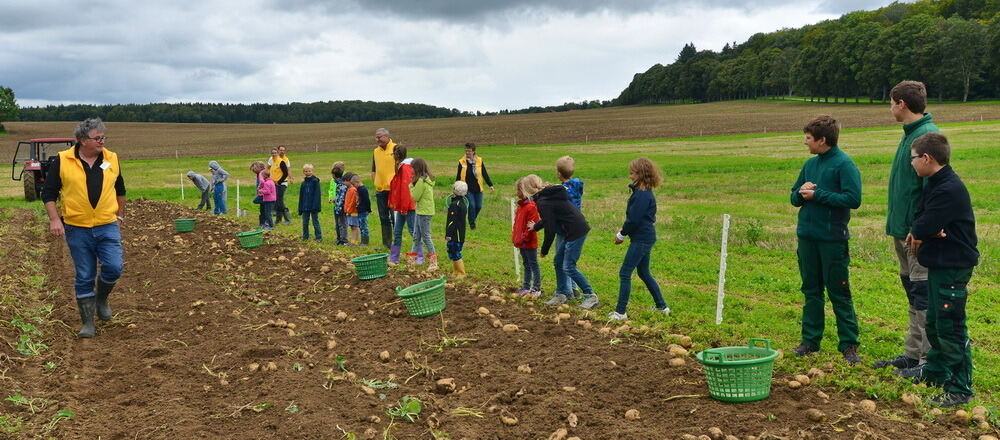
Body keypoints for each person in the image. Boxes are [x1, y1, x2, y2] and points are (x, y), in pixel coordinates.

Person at [903, 132, 978, 408]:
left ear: (926, 158)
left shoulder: (948, 189)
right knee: (934, 322)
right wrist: (928, 230)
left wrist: (925, 230)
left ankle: (960, 389)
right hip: (939, 262)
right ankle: (935, 372)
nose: (911, 164)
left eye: (913, 159)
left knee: (951, 327)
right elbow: (919, 220)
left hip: (953, 265)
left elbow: (921, 227)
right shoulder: (933, 183)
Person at [874, 80, 941, 371]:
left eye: (891, 102)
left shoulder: (925, 136)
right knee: (913, 294)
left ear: (901, 103)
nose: (890, 108)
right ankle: (912, 355)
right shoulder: (910, 134)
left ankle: (928, 361)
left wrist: (923, 230)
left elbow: (933, 190)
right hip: (903, 231)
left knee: (924, 296)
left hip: (917, 236)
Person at [42, 117, 125, 338]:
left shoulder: (112, 159)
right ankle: (88, 323)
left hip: (107, 224)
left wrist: (120, 217)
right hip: (77, 227)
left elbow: (121, 190)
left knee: (114, 267)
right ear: (81, 140)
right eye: (97, 138)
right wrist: (54, 219)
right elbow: (48, 193)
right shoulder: (63, 160)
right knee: (85, 274)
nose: (102, 142)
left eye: (103, 137)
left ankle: (102, 299)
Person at [789, 115, 862, 364]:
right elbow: (793, 197)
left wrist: (818, 195)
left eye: (808, 139)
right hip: (807, 238)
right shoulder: (810, 165)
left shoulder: (844, 165)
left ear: (822, 140)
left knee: (839, 292)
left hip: (832, 240)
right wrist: (800, 193)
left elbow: (853, 199)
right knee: (811, 291)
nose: (805, 143)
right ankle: (810, 341)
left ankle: (849, 345)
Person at [609, 158, 670, 320]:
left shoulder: (642, 196)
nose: (630, 176)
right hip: (645, 237)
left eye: (632, 173)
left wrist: (621, 235)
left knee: (624, 273)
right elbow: (634, 219)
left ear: (640, 174)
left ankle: (620, 312)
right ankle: (662, 306)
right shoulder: (643, 193)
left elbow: (633, 221)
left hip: (642, 239)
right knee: (643, 272)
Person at [528, 178, 599, 310]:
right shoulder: (547, 197)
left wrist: (544, 250)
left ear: (528, 191)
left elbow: (550, 229)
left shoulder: (543, 201)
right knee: (558, 262)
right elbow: (549, 219)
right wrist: (536, 227)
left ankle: (590, 296)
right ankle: (562, 293)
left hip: (576, 232)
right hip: (571, 230)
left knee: (568, 266)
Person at [557, 155, 584, 297]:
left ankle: (567, 291)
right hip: (576, 227)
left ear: (559, 174)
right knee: (570, 260)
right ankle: (574, 288)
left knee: (562, 261)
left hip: (563, 229)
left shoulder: (561, 191)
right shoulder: (576, 186)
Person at [512, 176, 543, 297]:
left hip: (529, 242)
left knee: (533, 263)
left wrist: (524, 237)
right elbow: (517, 224)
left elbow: (532, 226)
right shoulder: (520, 207)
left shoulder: (531, 207)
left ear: (524, 190)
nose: (517, 193)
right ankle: (526, 286)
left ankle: (536, 287)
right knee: (526, 263)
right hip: (521, 241)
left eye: (518, 190)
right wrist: (516, 237)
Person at [455, 142, 494, 230]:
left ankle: (472, 218)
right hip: (467, 189)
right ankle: (472, 224)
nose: (467, 153)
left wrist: (490, 184)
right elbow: (458, 175)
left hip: (478, 188)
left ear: (473, 151)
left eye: (469, 151)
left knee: (478, 206)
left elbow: (484, 173)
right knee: (472, 205)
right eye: (466, 151)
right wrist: (456, 187)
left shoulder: (479, 161)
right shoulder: (462, 162)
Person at [388, 146, 416, 266]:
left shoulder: (405, 168)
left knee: (413, 231)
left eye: (393, 155)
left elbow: (405, 189)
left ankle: (419, 256)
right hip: (401, 206)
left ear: (397, 155)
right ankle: (394, 258)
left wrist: (404, 207)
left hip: (408, 206)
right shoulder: (402, 167)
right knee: (397, 231)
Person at [409, 158, 438, 271]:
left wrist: (411, 186)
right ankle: (412, 261)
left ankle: (433, 263)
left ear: (417, 168)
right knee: (416, 236)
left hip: (424, 212)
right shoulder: (426, 179)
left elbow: (415, 197)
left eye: (412, 168)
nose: (411, 170)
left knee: (425, 236)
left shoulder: (421, 181)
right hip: (421, 211)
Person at [371, 128, 397, 249]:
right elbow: (374, 169)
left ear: (387, 136)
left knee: (395, 218)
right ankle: (386, 244)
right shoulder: (375, 151)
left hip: (393, 190)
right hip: (380, 190)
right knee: (383, 218)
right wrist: (375, 182)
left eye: (380, 137)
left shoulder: (396, 148)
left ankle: (397, 243)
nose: (378, 139)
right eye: (376, 137)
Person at [445, 181, 469, 278]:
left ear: (455, 190)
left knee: (455, 251)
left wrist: (448, 234)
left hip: (456, 234)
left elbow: (452, 221)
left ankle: (461, 273)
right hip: (460, 233)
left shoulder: (455, 204)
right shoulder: (462, 203)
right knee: (452, 251)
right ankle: (455, 271)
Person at [298, 164, 323, 241]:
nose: (308, 172)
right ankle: (305, 237)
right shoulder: (303, 183)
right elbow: (301, 196)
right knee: (305, 222)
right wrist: (300, 207)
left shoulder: (315, 182)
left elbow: (317, 195)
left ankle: (318, 237)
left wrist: (316, 206)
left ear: (312, 171)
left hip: (313, 206)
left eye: (309, 171)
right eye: (306, 171)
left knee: (315, 221)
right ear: (303, 172)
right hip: (305, 206)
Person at [270, 146, 292, 224]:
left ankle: (287, 218)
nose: (274, 154)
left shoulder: (281, 161)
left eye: (275, 153)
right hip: (274, 184)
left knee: (279, 201)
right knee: (277, 201)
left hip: (282, 184)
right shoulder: (273, 161)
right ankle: (278, 220)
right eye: (272, 153)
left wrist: (279, 182)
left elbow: (286, 173)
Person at [329, 162, 348, 245]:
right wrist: (334, 200)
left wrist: (338, 203)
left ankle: (343, 240)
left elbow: (342, 197)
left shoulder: (341, 184)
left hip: (341, 207)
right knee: (338, 223)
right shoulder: (337, 183)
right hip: (337, 206)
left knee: (342, 223)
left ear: (334, 175)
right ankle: (339, 238)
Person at [352, 174, 372, 246]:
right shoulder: (358, 189)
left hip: (363, 211)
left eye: (354, 184)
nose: (354, 186)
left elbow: (367, 200)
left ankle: (365, 241)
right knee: (361, 225)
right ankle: (363, 241)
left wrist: (368, 209)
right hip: (359, 210)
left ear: (357, 182)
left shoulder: (363, 189)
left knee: (364, 226)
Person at [343, 172, 360, 245]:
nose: (344, 183)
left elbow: (352, 201)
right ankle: (353, 241)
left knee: (355, 227)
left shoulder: (353, 190)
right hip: (349, 212)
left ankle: (355, 242)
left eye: (345, 181)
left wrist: (349, 209)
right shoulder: (349, 189)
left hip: (353, 212)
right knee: (352, 227)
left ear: (349, 181)